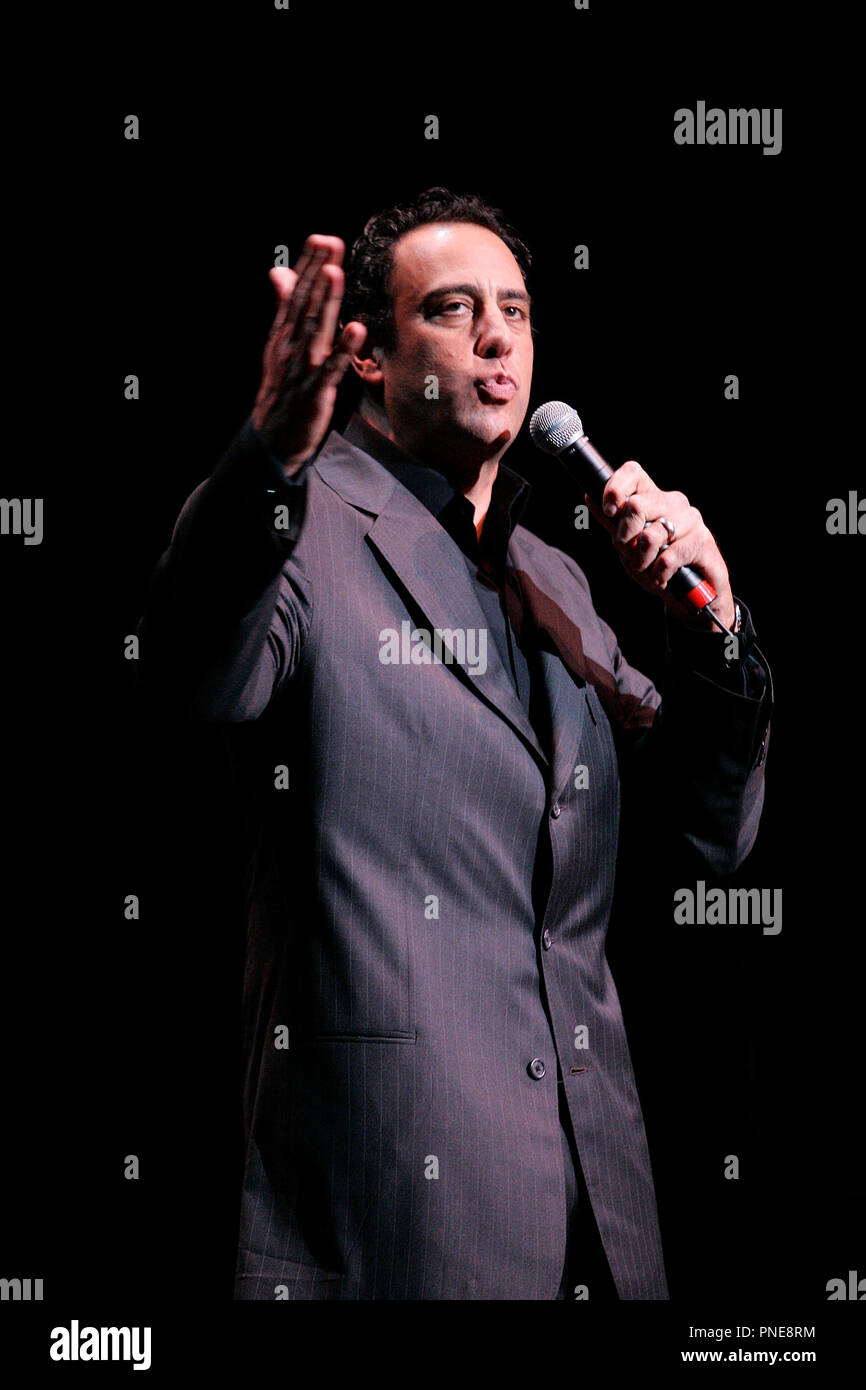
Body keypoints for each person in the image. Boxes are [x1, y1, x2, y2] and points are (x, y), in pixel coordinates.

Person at [137, 187, 771, 1300]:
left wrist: (710, 630)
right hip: (394, 1219)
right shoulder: (302, 527)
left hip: (598, 1218)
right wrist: (265, 455)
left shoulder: (557, 579)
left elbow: (706, 837)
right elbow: (196, 659)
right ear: (369, 358)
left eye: (517, 311)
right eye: (455, 310)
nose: (496, 337)